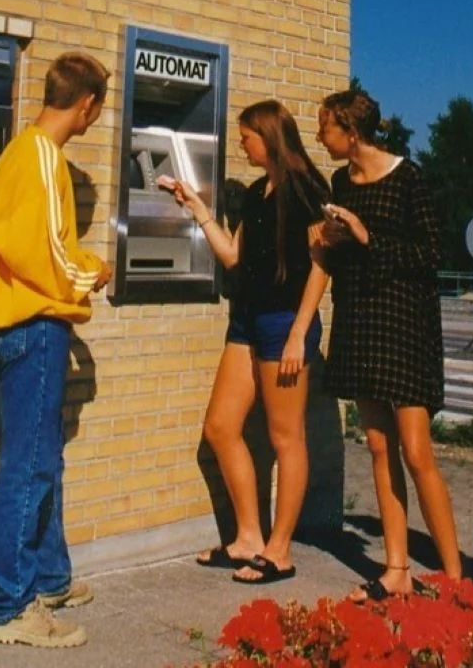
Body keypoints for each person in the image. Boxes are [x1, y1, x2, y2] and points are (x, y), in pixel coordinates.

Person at [0, 52, 113, 648]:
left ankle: (50, 579)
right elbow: (47, 251)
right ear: (88, 105)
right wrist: (94, 272)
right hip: (32, 327)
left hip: (3, 326)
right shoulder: (45, 159)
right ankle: (10, 608)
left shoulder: (15, 152)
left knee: (39, 458)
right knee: (27, 468)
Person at [165, 99, 330, 585]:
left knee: (286, 438)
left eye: (247, 137)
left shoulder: (307, 189)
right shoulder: (258, 192)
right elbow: (234, 256)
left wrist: (300, 332)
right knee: (219, 427)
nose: (242, 145)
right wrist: (197, 210)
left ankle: (280, 553)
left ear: (269, 136)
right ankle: (248, 538)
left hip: (285, 325)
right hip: (248, 321)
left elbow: (323, 265)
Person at [315, 88, 463, 602]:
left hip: (404, 321)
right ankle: (396, 569)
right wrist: (331, 241)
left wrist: (365, 235)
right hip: (360, 319)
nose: (319, 135)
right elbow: (340, 256)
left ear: (349, 131)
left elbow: (430, 252)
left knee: (417, 450)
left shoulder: (408, 177)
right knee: (377, 444)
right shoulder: (339, 181)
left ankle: (454, 580)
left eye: (324, 126)